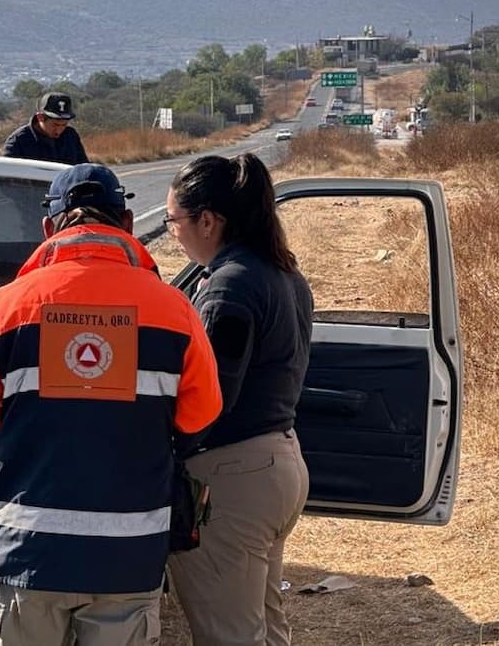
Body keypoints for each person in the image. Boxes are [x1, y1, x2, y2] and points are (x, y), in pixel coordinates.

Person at [0, 163, 223, 646]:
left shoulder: (5, 306)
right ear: (129, 223)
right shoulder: (175, 310)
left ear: (50, 228)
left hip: (29, 553)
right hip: (129, 556)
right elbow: (200, 417)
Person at [165, 153, 313, 646]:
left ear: (208, 221)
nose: (174, 233)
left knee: (228, 634)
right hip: (278, 464)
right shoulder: (283, 274)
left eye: (174, 221)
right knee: (264, 629)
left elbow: (210, 401)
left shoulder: (228, 287)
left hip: (233, 480)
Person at [1, 92, 89, 164]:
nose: (59, 131)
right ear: (40, 118)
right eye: (55, 125)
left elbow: (82, 168)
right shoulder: (18, 141)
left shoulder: (71, 136)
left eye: (64, 125)